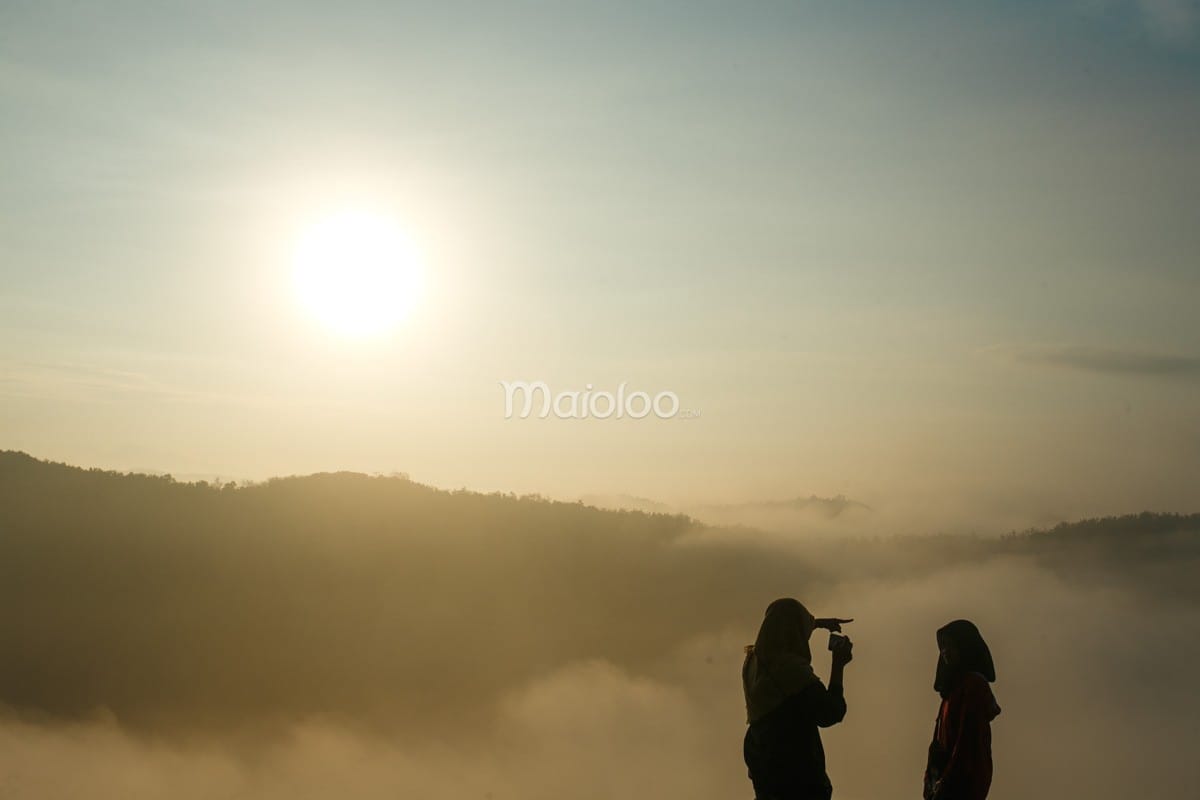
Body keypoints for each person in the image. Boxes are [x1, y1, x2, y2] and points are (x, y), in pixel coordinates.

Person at [742, 598, 854, 800]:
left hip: (764, 767)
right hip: (797, 776)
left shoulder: (754, 662)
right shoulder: (790, 670)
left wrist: (818, 623)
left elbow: (784, 626)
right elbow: (831, 712)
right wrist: (838, 664)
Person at [923, 620, 1002, 800]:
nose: (945, 653)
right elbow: (937, 748)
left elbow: (966, 742)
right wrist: (930, 784)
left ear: (965, 647)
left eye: (950, 646)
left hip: (961, 789)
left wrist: (945, 787)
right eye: (942, 647)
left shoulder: (973, 686)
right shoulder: (951, 693)